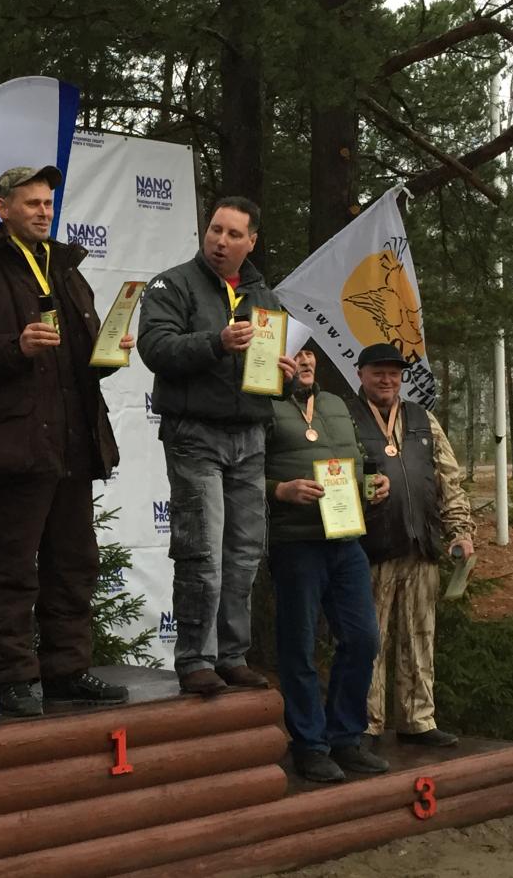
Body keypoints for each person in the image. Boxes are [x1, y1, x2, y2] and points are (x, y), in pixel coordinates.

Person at [0, 165, 133, 718]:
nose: (44, 212)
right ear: (2, 207)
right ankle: (12, 677)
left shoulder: (66, 270)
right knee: (10, 569)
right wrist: (14, 347)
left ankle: (65, 669)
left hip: (71, 444)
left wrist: (108, 353)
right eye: (32, 203)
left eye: (48, 203)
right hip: (12, 447)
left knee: (74, 564)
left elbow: (79, 363)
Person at [137, 196, 296, 695]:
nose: (220, 242)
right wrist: (216, 341)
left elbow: (269, 376)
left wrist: (288, 377)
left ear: (252, 242)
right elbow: (155, 347)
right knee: (202, 550)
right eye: (215, 230)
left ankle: (232, 655)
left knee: (245, 553)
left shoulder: (265, 297)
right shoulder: (172, 284)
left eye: (233, 235)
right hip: (196, 435)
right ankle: (195, 659)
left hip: (250, 436)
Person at [265, 345, 391, 782]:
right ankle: (309, 745)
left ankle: (345, 737)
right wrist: (279, 490)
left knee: (363, 639)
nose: (304, 361)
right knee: (298, 646)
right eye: (294, 353)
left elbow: (353, 461)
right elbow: (239, 473)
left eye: (308, 353)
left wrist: (372, 482)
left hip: (345, 538)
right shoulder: (262, 406)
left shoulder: (336, 403)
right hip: (296, 542)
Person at [348, 343, 475, 747]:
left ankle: (418, 720)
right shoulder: (345, 418)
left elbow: (449, 480)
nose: (387, 380)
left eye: (393, 373)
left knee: (419, 636)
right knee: (369, 641)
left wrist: (460, 530)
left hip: (421, 546)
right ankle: (366, 723)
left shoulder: (423, 419)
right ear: (361, 374)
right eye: (378, 373)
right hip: (370, 549)